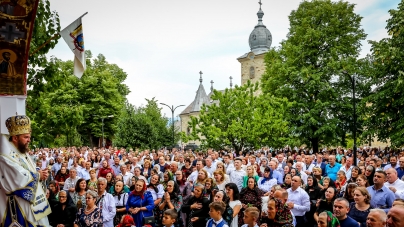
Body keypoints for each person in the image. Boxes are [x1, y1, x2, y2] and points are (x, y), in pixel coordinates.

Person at [0, 115, 51, 226]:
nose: (29, 140)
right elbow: (19, 178)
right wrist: (38, 175)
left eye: (29, 137)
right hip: (18, 207)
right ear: (15, 138)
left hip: (32, 206)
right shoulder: (5, 157)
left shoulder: (22, 152)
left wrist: (41, 177)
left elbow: (30, 170)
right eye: (26, 137)